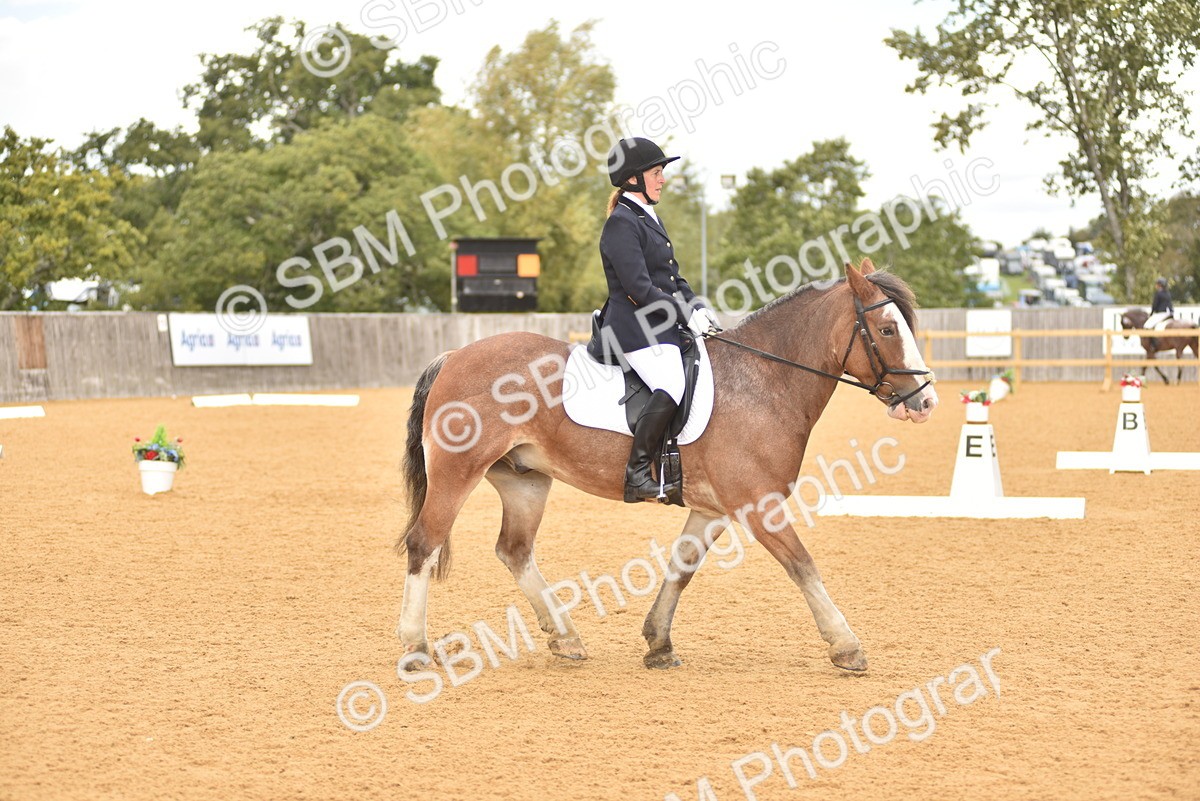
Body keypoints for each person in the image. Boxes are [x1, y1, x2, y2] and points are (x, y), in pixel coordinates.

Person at [599, 137, 720, 503]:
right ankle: (637, 473)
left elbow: (671, 278)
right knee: (671, 382)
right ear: (633, 178)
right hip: (631, 329)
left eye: (661, 172)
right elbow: (638, 287)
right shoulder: (621, 223)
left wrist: (696, 307)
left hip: (658, 325)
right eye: (656, 172)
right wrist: (681, 313)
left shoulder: (648, 217)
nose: (662, 179)